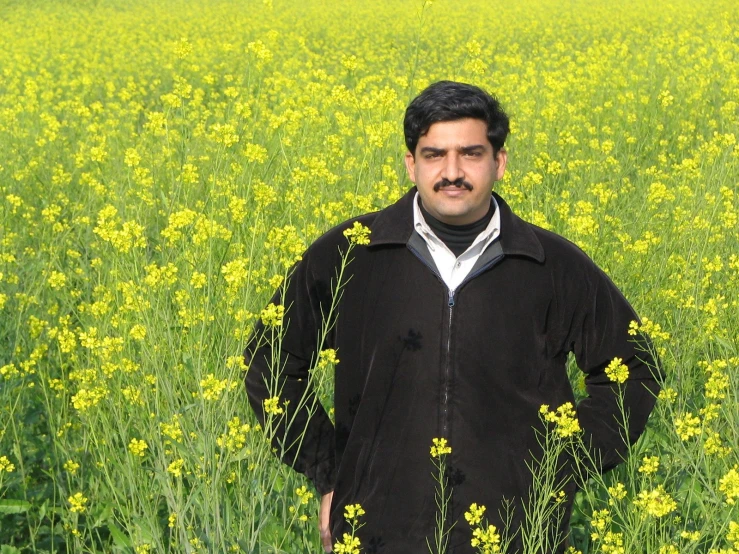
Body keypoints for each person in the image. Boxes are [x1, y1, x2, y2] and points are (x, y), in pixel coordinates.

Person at [244, 81, 660, 553]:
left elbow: (633, 369)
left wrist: (560, 467)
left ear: (499, 162)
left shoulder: (552, 265)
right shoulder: (350, 253)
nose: (452, 172)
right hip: (377, 533)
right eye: (434, 154)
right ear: (411, 164)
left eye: (471, 153)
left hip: (518, 536)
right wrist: (330, 474)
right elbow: (270, 363)